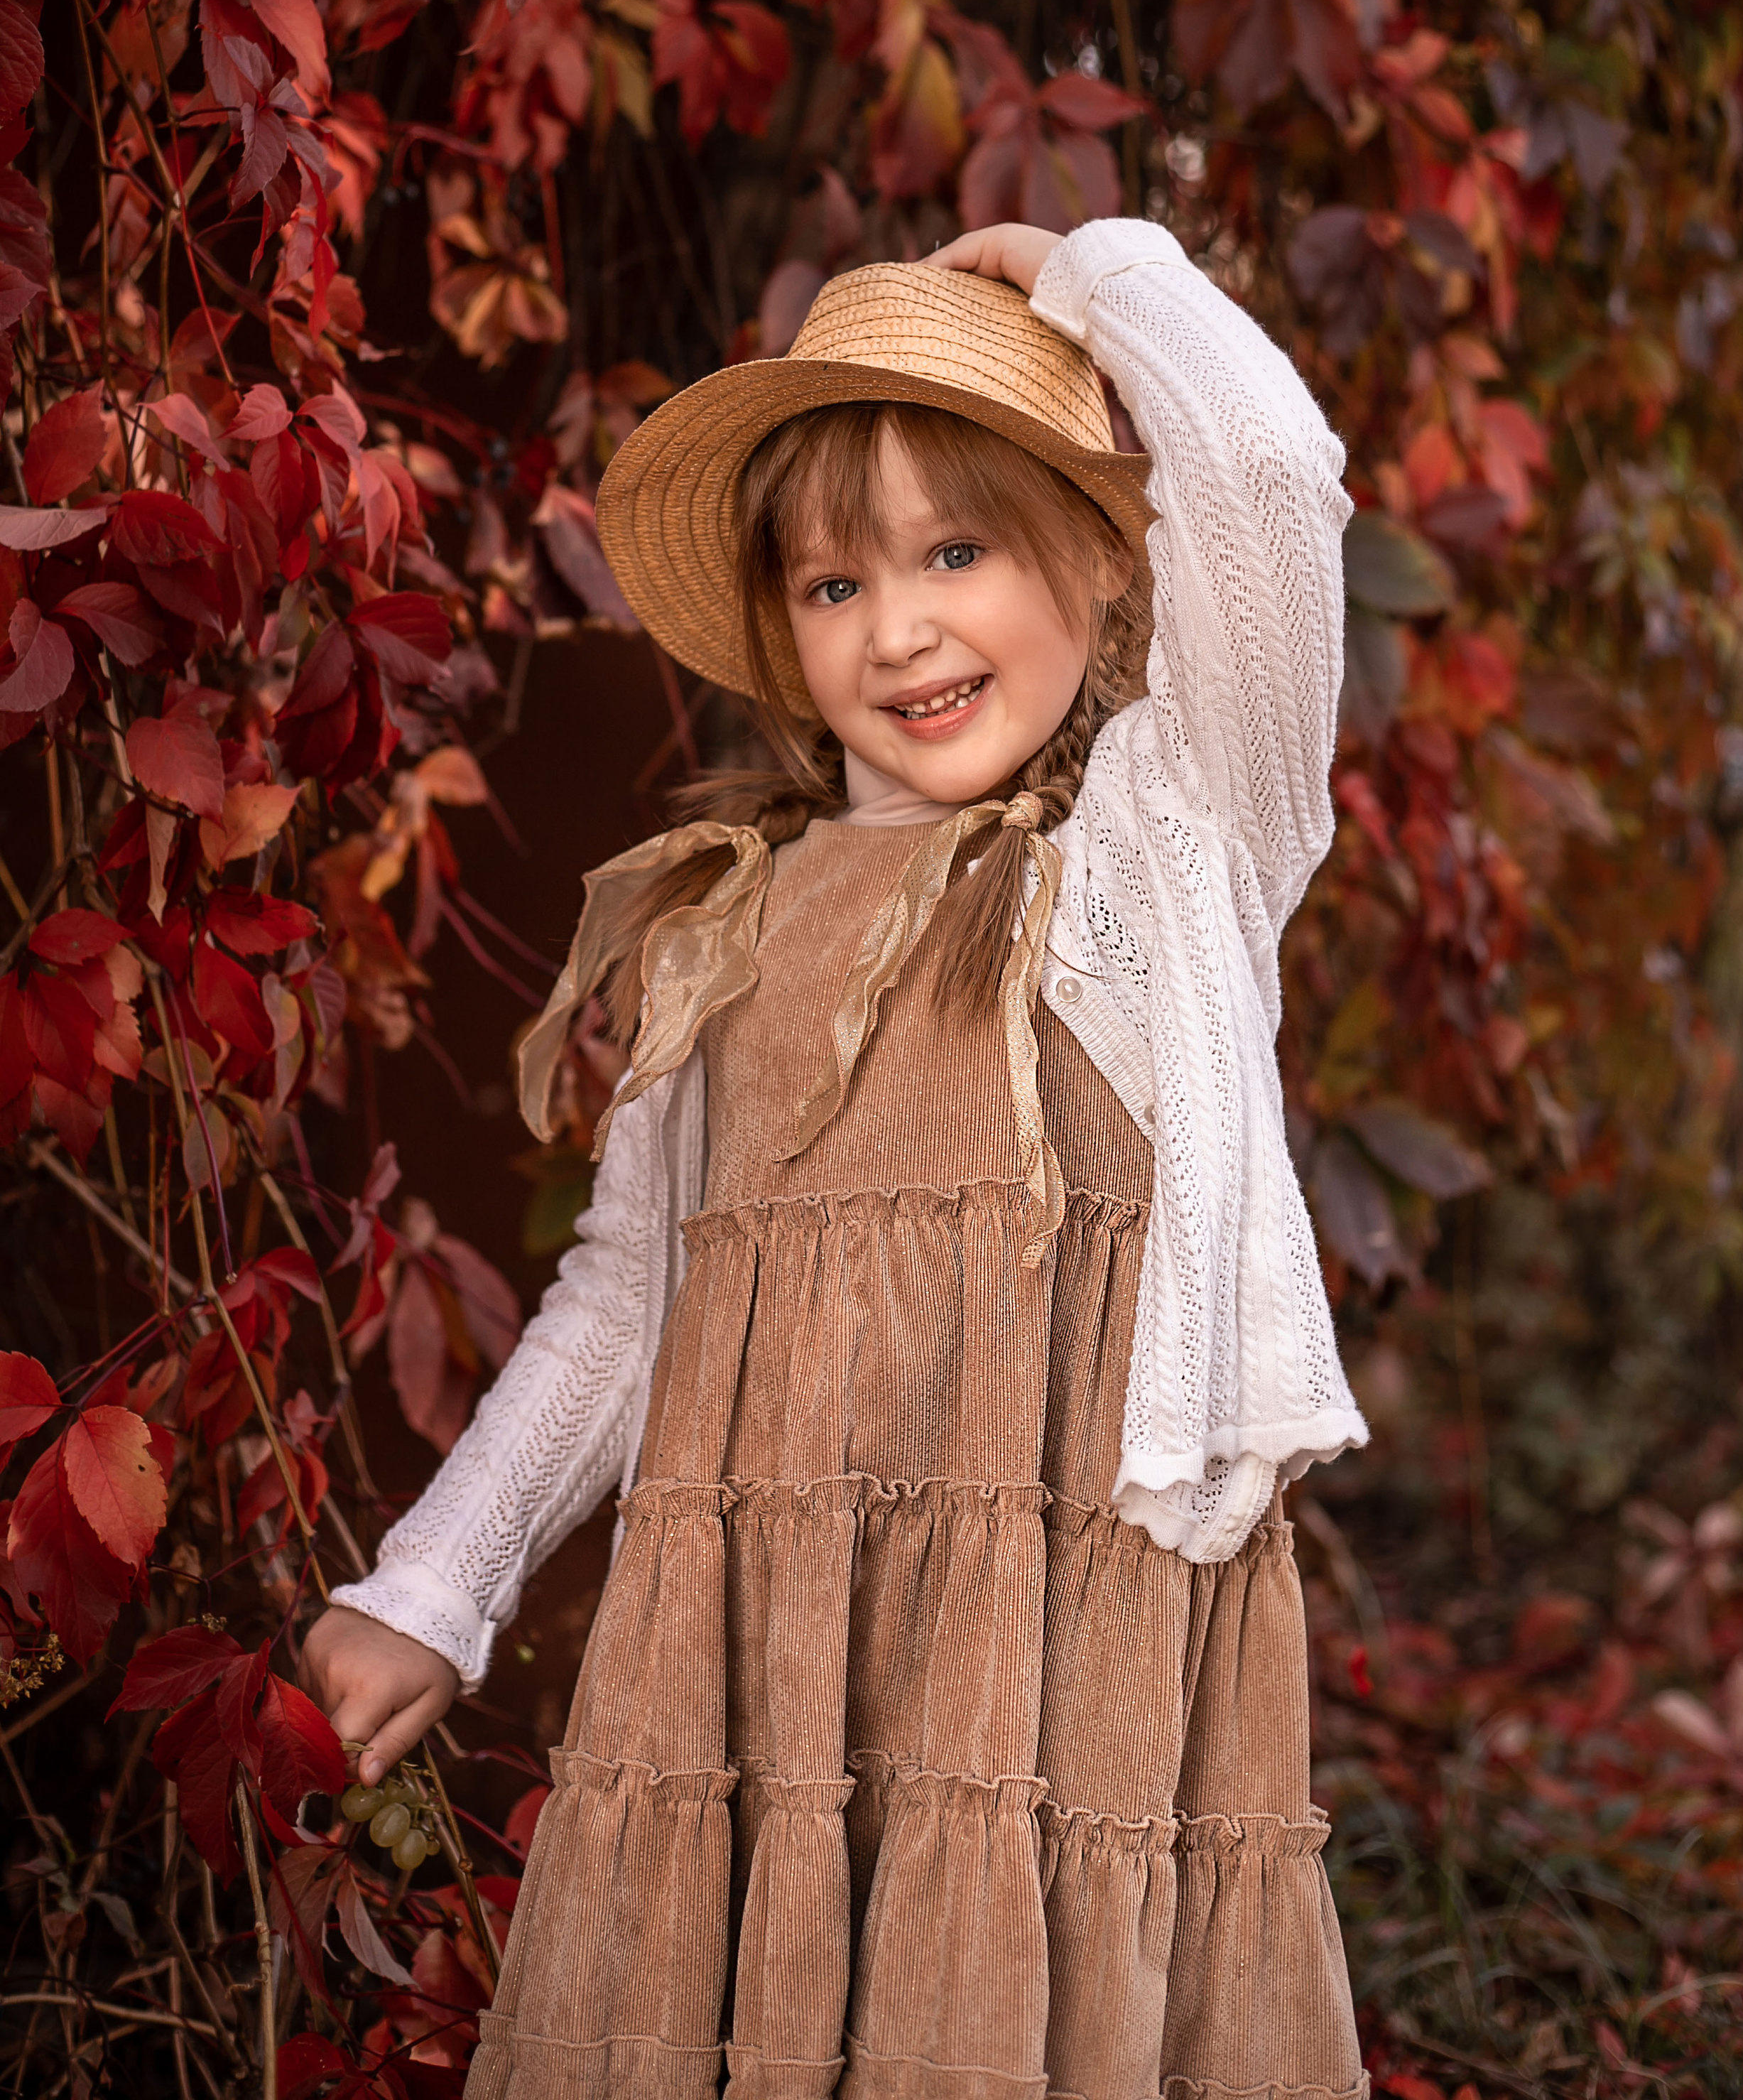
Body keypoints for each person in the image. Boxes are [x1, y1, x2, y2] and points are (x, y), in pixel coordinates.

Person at [299, 217, 1370, 2100]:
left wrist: (1091, 269)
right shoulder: (724, 927)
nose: (899, 629)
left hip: (1063, 1670)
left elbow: (1273, 474)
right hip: (779, 1671)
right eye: (830, 584)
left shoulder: (1174, 858)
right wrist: (437, 1584)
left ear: (1106, 570)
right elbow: (631, 1298)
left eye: (959, 549)